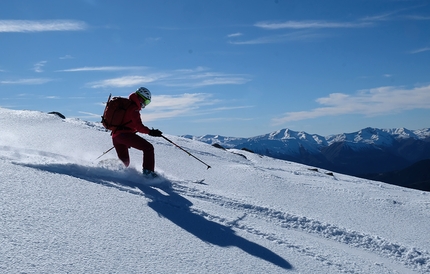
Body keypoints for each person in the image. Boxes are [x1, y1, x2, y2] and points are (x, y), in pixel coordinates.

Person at [111, 87, 163, 177]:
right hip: (124, 136)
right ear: (140, 98)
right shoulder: (133, 108)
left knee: (124, 162)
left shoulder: (127, 105)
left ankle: (109, 170)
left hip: (116, 137)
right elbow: (139, 127)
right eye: (146, 102)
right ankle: (148, 174)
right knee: (148, 148)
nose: (145, 105)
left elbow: (128, 124)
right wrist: (151, 132)